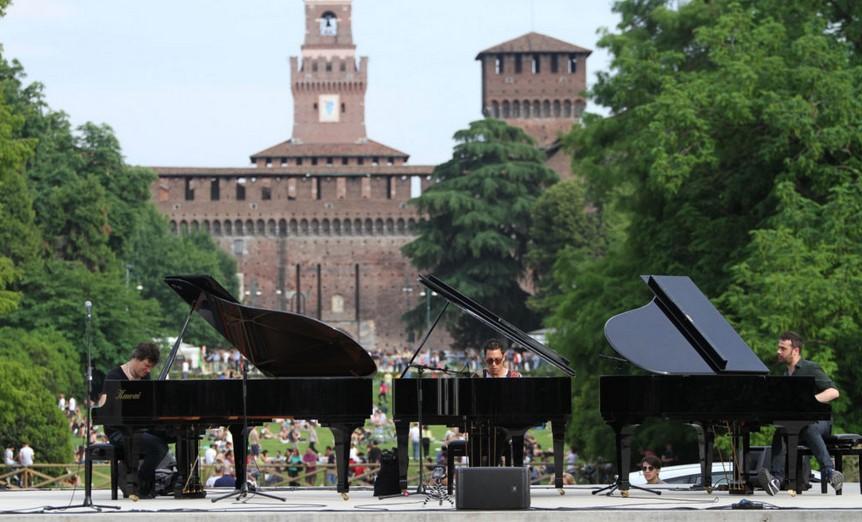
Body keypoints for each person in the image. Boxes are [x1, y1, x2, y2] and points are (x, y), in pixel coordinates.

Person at [759, 331, 844, 495]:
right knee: (780, 430)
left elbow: (833, 392)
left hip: (820, 423)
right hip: (797, 424)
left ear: (795, 350)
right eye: (778, 348)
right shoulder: (785, 374)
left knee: (808, 427)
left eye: (783, 348)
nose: (778, 352)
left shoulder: (810, 367)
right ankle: (776, 480)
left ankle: (828, 472)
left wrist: (810, 402)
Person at [99, 342, 168, 499]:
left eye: (151, 367)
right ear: (137, 358)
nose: (148, 370)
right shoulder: (114, 376)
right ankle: (139, 482)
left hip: (139, 428)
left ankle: (141, 480)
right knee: (157, 447)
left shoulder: (145, 378)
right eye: (146, 365)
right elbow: (103, 406)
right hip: (119, 431)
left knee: (168, 437)